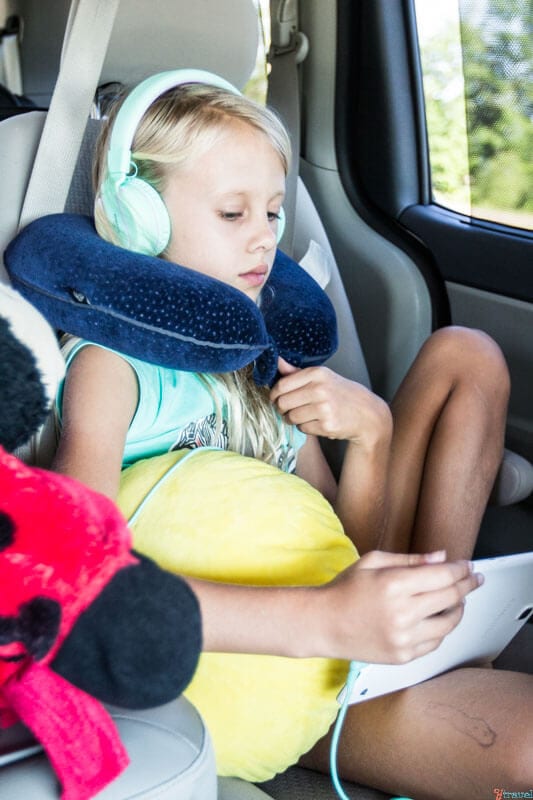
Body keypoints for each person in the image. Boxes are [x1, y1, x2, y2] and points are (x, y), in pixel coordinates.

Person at [53, 77, 532, 800]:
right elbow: (74, 581)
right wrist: (329, 621)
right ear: (139, 218)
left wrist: (370, 436)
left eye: (273, 212)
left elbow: (344, 541)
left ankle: (430, 622)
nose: (263, 237)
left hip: (347, 622)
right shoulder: (111, 372)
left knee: (467, 354)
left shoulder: (258, 362)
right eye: (231, 213)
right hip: (258, 673)